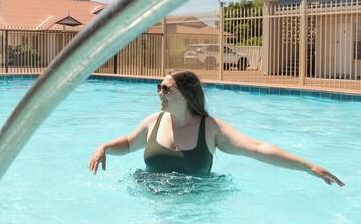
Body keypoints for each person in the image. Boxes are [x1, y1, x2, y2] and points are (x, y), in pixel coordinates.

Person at [88, 70, 344, 186]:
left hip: (196, 213)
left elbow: (256, 148)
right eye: (158, 87)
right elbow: (129, 143)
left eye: (166, 88)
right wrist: (104, 148)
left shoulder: (210, 128)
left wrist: (307, 166)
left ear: (187, 95)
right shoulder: (153, 121)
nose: (160, 93)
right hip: (151, 207)